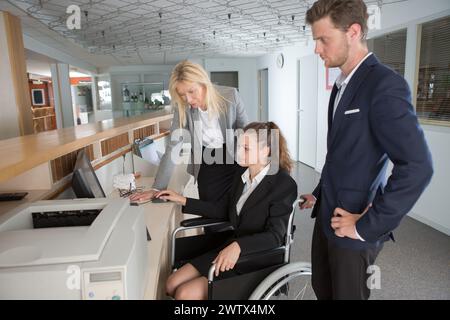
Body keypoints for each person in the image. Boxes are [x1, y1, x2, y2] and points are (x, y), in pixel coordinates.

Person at [299, 0, 433, 300]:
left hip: (353, 229)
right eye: (315, 40)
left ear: (354, 32)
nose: (317, 49)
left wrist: (366, 227)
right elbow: (342, 155)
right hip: (327, 218)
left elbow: (418, 166)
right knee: (324, 291)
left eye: (323, 39)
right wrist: (319, 193)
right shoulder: (341, 85)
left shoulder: (384, 84)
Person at [157, 122, 297, 300]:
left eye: (246, 148)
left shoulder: (282, 184)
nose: (239, 153)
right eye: (239, 146)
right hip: (230, 249)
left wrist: (239, 247)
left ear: (266, 151)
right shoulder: (242, 175)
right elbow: (225, 209)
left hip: (256, 258)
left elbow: (276, 235)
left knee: (184, 294)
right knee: (171, 283)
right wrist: (183, 200)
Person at [130, 60, 248, 204]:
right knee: (209, 211)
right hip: (206, 164)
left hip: (235, 160)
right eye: (182, 94)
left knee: (237, 210)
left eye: (191, 91)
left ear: (203, 83)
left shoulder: (230, 96)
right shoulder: (183, 108)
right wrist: (156, 189)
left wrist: (258, 169)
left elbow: (246, 134)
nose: (188, 99)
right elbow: (173, 146)